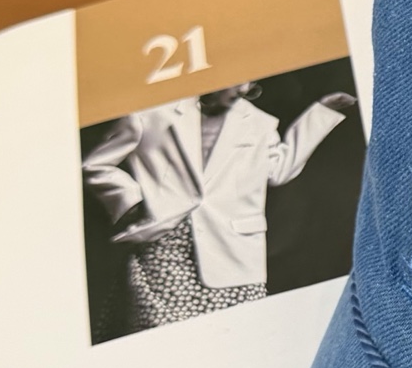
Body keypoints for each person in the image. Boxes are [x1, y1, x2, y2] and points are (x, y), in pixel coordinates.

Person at [82, 82, 356, 334]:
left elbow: (278, 171)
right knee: (163, 337)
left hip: (233, 254)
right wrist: (131, 200)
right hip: (164, 247)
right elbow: (95, 164)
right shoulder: (150, 114)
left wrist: (322, 113)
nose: (244, 90)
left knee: (236, 337)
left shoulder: (258, 123)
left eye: (250, 85)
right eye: (238, 82)